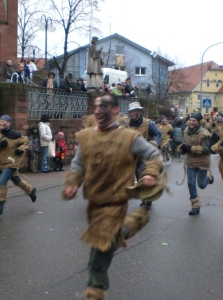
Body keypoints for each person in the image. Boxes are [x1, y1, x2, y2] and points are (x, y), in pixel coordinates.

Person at [62, 93, 165, 300]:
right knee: (104, 243)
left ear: (116, 110)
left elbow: (154, 155)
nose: (98, 110)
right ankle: (132, 223)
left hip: (116, 199)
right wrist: (72, 183)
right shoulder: (86, 136)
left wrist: (150, 173)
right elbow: (78, 163)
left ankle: (95, 292)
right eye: (96, 107)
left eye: (104, 106)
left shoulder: (129, 137)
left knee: (101, 246)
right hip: (94, 201)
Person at [0, 115, 36, 215]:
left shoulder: (16, 135)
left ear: (9, 123)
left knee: (2, 181)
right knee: (16, 180)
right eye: (0, 121)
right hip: (1, 162)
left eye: (3, 122)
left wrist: (20, 150)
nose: (1, 123)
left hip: (12, 163)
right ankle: (31, 191)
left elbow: (26, 142)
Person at [128, 101, 162, 209]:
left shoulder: (148, 123)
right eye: (132, 111)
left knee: (144, 176)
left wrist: (156, 142)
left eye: (135, 111)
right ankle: (147, 198)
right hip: (133, 156)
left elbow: (158, 133)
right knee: (138, 177)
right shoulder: (128, 125)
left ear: (139, 111)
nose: (133, 113)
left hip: (145, 155)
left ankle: (147, 200)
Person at [179, 112, 214, 216]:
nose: (191, 122)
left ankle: (208, 176)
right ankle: (195, 205)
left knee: (202, 185)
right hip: (190, 161)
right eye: (190, 120)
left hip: (202, 162)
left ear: (198, 122)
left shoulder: (205, 133)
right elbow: (184, 144)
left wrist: (191, 148)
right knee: (191, 183)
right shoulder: (186, 131)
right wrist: (181, 148)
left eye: (194, 120)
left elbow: (207, 149)